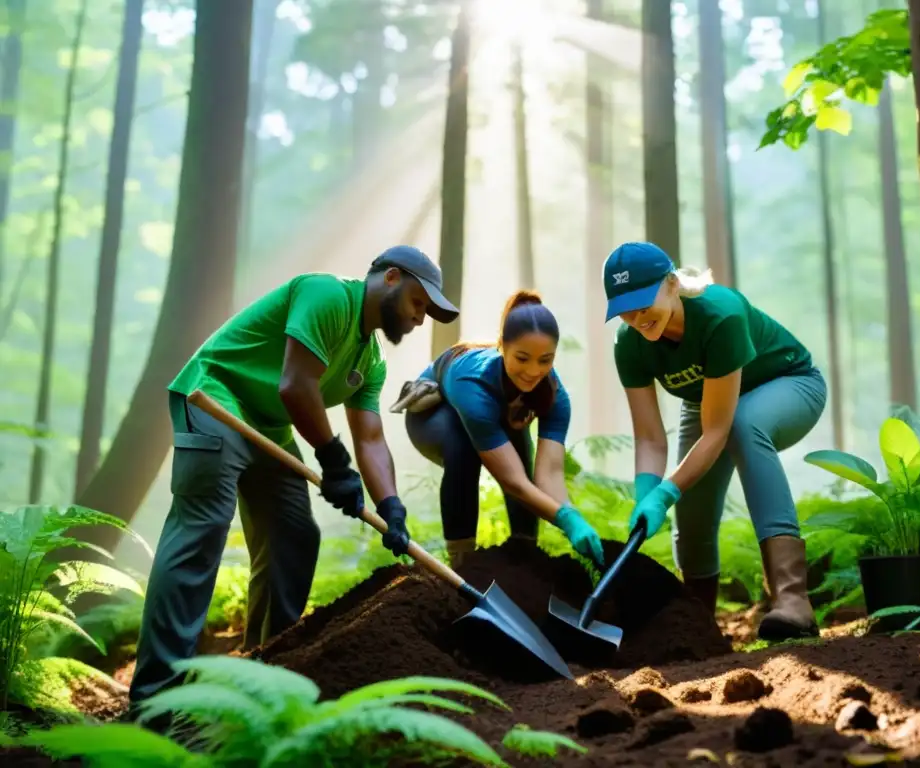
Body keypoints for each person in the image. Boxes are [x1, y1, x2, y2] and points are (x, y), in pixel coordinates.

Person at [128, 245, 459, 711]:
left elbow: (369, 438)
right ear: (390, 278)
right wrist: (334, 462)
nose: (419, 318)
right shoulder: (326, 296)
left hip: (268, 424)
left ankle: (261, 683)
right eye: (418, 303)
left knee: (295, 539)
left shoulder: (369, 359)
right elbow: (296, 384)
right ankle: (153, 703)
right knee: (201, 536)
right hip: (215, 398)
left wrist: (391, 508)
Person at [603, 241, 826, 640]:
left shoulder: (720, 315)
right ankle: (697, 622)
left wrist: (666, 491)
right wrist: (648, 493)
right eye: (624, 307)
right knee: (692, 509)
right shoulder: (629, 343)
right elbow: (651, 438)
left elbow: (718, 431)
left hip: (789, 384)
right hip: (709, 404)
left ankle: (793, 600)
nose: (636, 317)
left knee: (742, 425)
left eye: (642, 302)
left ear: (671, 284)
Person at [396, 291, 604, 569]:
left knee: (522, 461)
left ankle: (526, 554)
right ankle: (462, 562)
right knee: (464, 450)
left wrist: (572, 516)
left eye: (545, 360)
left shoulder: (555, 396)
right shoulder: (474, 385)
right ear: (502, 347)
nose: (533, 371)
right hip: (433, 416)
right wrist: (565, 520)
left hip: (501, 414)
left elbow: (549, 475)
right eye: (522, 358)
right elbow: (512, 482)